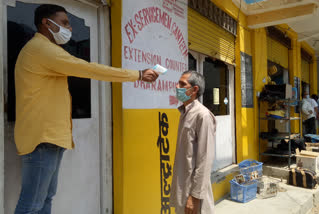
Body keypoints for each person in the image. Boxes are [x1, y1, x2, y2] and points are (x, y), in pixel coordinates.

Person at [13, 4, 159, 214]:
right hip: (42, 138)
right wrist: (136, 74)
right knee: (32, 204)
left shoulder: (46, 51)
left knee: (45, 200)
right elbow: (88, 69)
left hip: (49, 138)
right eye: (64, 23)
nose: (69, 29)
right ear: (46, 23)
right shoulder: (41, 49)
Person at [170, 71, 216, 214]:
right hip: (182, 187)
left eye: (182, 84)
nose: (177, 87)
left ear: (194, 90)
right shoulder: (185, 113)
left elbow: (205, 159)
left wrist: (194, 197)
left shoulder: (203, 116)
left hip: (194, 194)